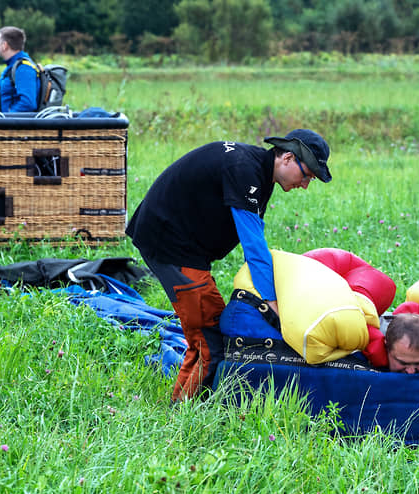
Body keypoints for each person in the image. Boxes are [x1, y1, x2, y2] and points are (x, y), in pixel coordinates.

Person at [126, 130, 332, 402]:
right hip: (170, 245)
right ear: (288, 158)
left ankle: (187, 403)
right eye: (307, 175)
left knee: (207, 335)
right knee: (210, 343)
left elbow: (256, 232)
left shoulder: (259, 170)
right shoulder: (244, 170)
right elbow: (253, 246)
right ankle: (183, 415)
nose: (305, 184)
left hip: (184, 246)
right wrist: (272, 303)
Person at [0, 26, 39, 113]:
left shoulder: (23, 68)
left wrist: (6, 120)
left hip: (10, 125)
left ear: (4, 45)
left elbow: (28, 103)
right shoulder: (13, 66)